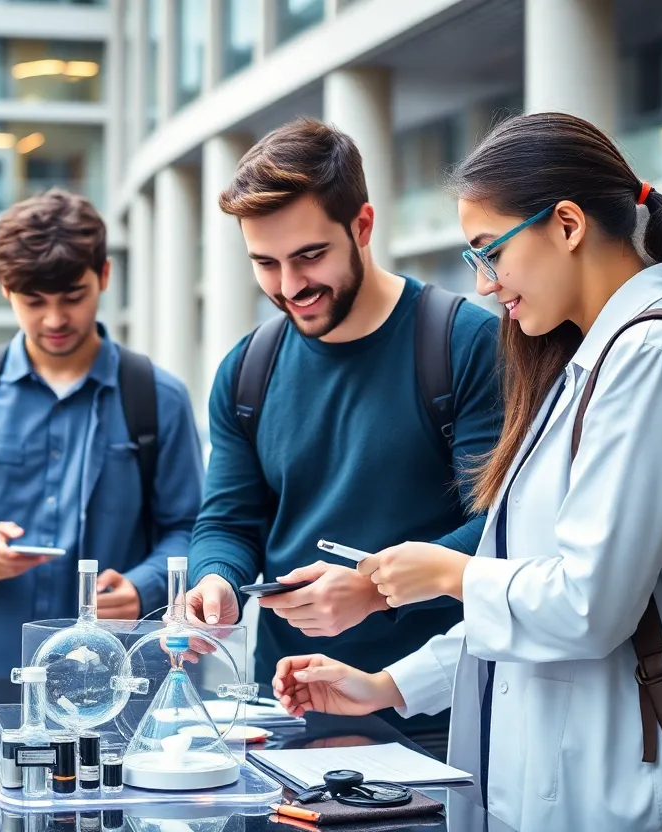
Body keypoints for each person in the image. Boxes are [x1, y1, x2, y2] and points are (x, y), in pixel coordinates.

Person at [271, 112, 662, 831]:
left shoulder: (653, 359)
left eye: (490, 251)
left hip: (616, 789)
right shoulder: (590, 361)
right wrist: (385, 685)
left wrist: (447, 575)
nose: (484, 285)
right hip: (563, 777)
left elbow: (585, 605)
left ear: (567, 225)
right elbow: (527, 590)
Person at [185, 118, 503, 757]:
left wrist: (372, 590)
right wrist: (214, 580)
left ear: (362, 226)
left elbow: (500, 525)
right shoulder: (246, 369)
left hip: (439, 716)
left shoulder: (464, 343)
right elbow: (228, 518)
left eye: (309, 256)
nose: (290, 287)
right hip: (285, 714)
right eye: (265, 264)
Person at [0, 189, 204, 680]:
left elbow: (192, 529)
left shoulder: (157, 396)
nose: (55, 319)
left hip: (121, 679)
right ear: (5, 289)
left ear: (104, 276)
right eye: (33, 301)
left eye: (72, 297)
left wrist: (146, 587)